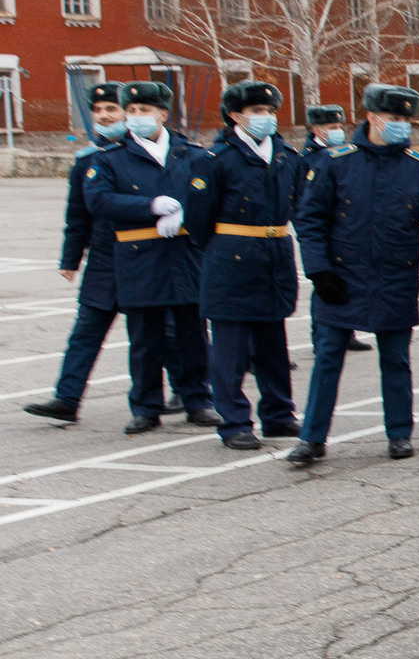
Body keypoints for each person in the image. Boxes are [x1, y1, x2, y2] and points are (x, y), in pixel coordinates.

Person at [286, 83, 419, 464]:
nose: (401, 125)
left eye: (405, 119)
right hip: (341, 278)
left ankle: (399, 433)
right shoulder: (335, 162)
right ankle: (312, 438)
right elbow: (310, 221)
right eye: (393, 118)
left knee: (395, 359)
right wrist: (318, 271)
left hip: (395, 276)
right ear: (371, 117)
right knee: (329, 355)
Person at [81, 81, 216, 434]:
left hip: (185, 254)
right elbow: (98, 200)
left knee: (192, 333)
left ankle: (198, 400)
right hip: (139, 256)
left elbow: (212, 195)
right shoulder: (110, 158)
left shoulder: (192, 154)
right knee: (145, 338)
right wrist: (149, 206)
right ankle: (145, 406)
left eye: (145, 110)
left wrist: (186, 212)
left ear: (163, 114)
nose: (137, 117)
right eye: (132, 111)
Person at [182, 80, 301, 448]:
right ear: (235, 116)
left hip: (274, 255)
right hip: (231, 257)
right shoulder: (215, 160)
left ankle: (279, 415)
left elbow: (299, 205)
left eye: (269, 111)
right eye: (256, 112)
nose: (265, 118)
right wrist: (227, 246)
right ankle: (235, 423)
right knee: (230, 350)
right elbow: (198, 221)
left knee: (273, 345)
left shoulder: (287, 156)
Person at [26, 84, 133, 424]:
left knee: (166, 332)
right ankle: (67, 398)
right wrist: (70, 259)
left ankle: (189, 394)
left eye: (111, 109)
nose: (103, 116)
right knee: (86, 332)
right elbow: (78, 213)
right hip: (104, 260)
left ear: (127, 113)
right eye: (98, 110)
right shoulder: (87, 160)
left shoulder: (147, 154)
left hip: (146, 256)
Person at [295, 103, 369, 353]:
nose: (337, 131)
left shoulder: (347, 154)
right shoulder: (307, 158)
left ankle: (348, 331)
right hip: (321, 229)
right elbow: (301, 199)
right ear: (316, 129)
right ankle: (321, 337)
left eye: (339, 126)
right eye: (331, 127)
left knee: (348, 279)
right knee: (323, 283)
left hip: (345, 228)